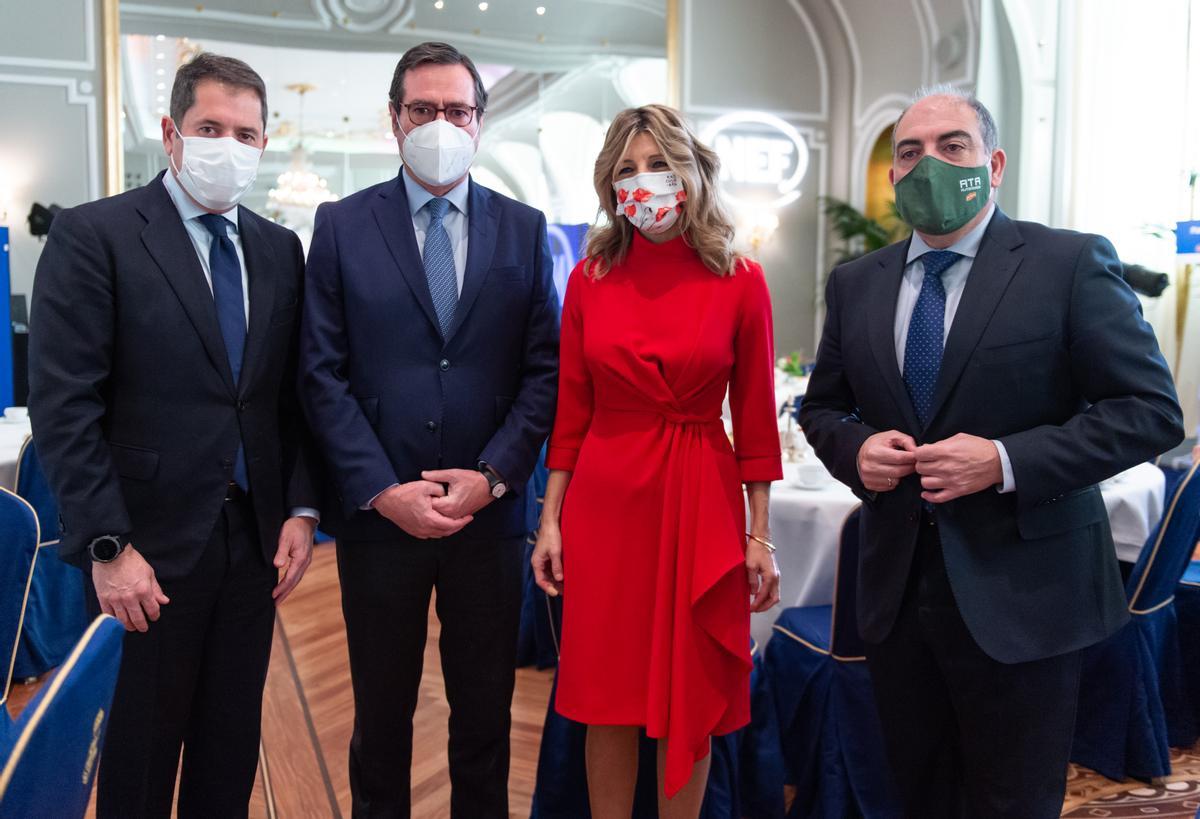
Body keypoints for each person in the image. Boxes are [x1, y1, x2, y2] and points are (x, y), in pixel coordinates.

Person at [799, 85, 1185, 818]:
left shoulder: (1066, 263)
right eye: (910, 152)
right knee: (917, 794)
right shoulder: (856, 283)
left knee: (1011, 803)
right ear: (892, 176)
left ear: (993, 163)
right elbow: (822, 406)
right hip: (897, 594)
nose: (930, 165)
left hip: (1025, 592)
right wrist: (855, 449)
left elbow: (1150, 412)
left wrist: (1006, 460)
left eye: (953, 146)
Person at [28, 53, 319, 817]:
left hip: (252, 546)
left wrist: (300, 508)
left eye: (247, 133)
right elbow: (65, 406)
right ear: (171, 133)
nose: (230, 144)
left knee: (230, 750)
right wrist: (108, 547)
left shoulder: (279, 249)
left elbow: (286, 400)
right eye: (211, 127)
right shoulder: (96, 236)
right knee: (139, 757)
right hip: (144, 551)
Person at [299, 41, 559, 819]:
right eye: (423, 109)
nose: (439, 123)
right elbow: (320, 371)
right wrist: (381, 489)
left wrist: (496, 474)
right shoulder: (343, 225)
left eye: (457, 110)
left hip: (490, 519)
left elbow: (544, 370)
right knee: (380, 720)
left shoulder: (523, 227)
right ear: (394, 119)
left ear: (479, 122)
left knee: (484, 718)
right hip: (382, 521)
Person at [531, 104, 783, 818]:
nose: (645, 182)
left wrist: (758, 532)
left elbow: (758, 420)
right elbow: (571, 415)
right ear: (611, 189)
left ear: (692, 172)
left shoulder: (741, 280)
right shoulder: (591, 279)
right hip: (606, 502)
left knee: (687, 695)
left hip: (700, 491)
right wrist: (549, 520)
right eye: (626, 170)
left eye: (659, 164)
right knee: (606, 698)